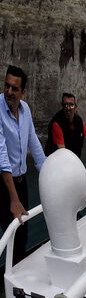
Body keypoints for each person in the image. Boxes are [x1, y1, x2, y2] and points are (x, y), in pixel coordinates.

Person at [0, 65, 47, 264]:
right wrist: (13, 198)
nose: (9, 92)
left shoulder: (25, 109)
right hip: (3, 184)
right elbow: (1, 157)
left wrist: (49, 176)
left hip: (21, 182)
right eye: (6, 86)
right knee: (9, 234)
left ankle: (16, 282)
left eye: (14, 89)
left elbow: (33, 143)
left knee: (22, 235)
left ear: (23, 92)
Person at [45, 92, 86, 177]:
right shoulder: (57, 124)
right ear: (62, 106)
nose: (68, 108)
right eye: (65, 105)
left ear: (75, 107)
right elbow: (63, 154)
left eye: (71, 105)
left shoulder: (78, 121)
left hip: (71, 164)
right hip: (56, 168)